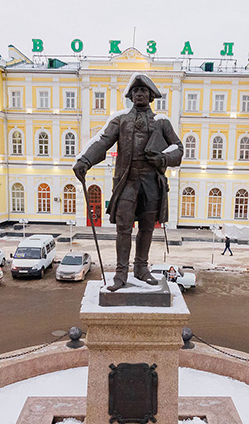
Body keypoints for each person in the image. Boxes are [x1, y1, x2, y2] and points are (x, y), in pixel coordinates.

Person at [73, 73, 183, 291]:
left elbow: (178, 149)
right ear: (130, 96)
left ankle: (141, 268)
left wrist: (163, 158)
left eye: (143, 91)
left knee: (147, 228)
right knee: (123, 228)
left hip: (152, 183)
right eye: (135, 91)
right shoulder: (120, 119)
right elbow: (103, 141)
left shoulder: (162, 122)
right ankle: (121, 273)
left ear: (151, 96)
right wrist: (85, 160)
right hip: (127, 182)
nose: (139, 94)